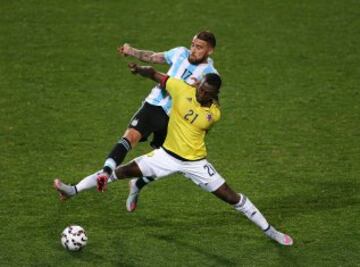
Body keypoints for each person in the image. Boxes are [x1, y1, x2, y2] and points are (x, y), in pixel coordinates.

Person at [57, 62, 294, 246]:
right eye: (200, 87)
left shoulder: (214, 114)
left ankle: (270, 231)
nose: (200, 92)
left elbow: (200, 116)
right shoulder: (182, 88)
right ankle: (73, 190)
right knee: (118, 172)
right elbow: (157, 75)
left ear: (213, 95)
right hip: (165, 156)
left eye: (205, 92)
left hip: (196, 163)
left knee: (232, 198)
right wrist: (141, 70)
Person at [54, 31, 219, 212]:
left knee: (167, 165)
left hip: (175, 120)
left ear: (210, 50)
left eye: (199, 47)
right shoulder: (180, 52)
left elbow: (209, 105)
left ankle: (137, 185)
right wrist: (132, 51)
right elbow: (154, 57)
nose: (193, 50)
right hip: (153, 105)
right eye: (193, 45)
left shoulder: (210, 76)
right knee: (129, 137)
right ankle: (100, 176)